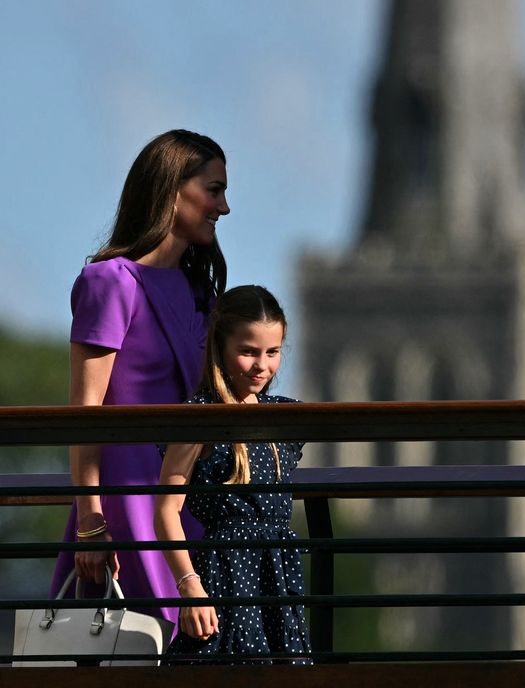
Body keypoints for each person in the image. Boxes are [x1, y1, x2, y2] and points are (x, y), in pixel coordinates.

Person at [51, 129, 229, 631]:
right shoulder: (109, 283)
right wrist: (90, 521)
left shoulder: (202, 293)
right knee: (146, 641)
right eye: (214, 190)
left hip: (189, 496)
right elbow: (84, 412)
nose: (224, 206)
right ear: (174, 190)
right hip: (126, 499)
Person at [154, 285, 311, 664]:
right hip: (225, 570)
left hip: (276, 570)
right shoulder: (201, 415)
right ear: (220, 347)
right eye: (248, 352)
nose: (262, 366)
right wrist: (190, 588)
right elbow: (165, 509)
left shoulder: (282, 416)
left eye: (273, 353)